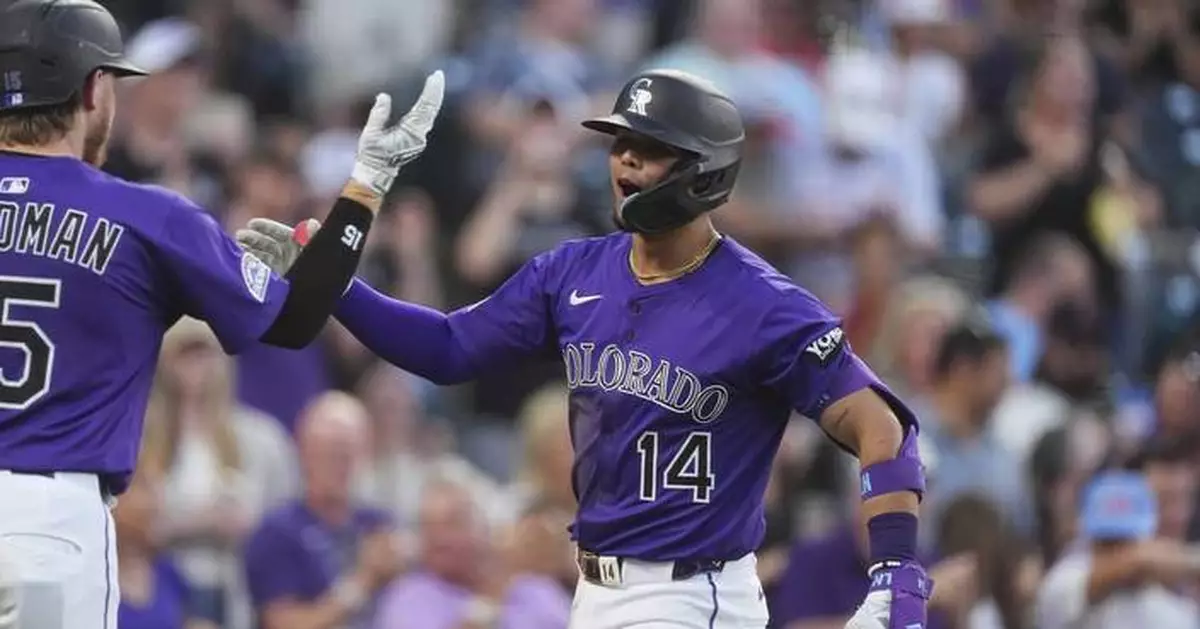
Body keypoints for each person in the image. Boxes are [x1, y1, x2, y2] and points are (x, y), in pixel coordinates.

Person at [239, 68, 931, 629]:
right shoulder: (572, 272)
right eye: (620, 142)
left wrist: (895, 568)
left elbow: (883, 426)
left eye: (649, 147)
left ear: (704, 171)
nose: (624, 158)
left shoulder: (764, 304)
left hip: (693, 595)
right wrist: (338, 286)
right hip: (594, 589)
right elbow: (449, 348)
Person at [0, 1, 444, 626]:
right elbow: (295, 322)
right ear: (94, 88)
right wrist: (364, 188)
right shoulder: (147, 216)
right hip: (51, 522)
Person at [242, 392, 407, 629]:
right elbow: (284, 624)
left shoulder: (379, 523)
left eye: (348, 454)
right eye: (330, 453)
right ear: (304, 452)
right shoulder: (277, 532)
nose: (340, 466)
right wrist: (364, 581)